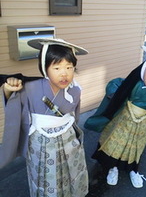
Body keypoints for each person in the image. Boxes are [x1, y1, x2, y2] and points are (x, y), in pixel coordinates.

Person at [84, 46, 146, 188]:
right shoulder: (134, 83)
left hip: (142, 122)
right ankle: (113, 168)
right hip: (124, 119)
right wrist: (115, 93)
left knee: (135, 146)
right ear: (143, 70)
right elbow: (117, 83)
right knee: (116, 142)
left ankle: (132, 169)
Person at [0, 38, 89, 197]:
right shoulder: (30, 87)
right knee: (45, 180)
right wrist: (8, 90)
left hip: (68, 140)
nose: (64, 73)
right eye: (57, 67)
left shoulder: (75, 90)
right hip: (41, 143)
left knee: (71, 172)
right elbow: (14, 104)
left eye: (69, 67)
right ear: (44, 68)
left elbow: (74, 117)